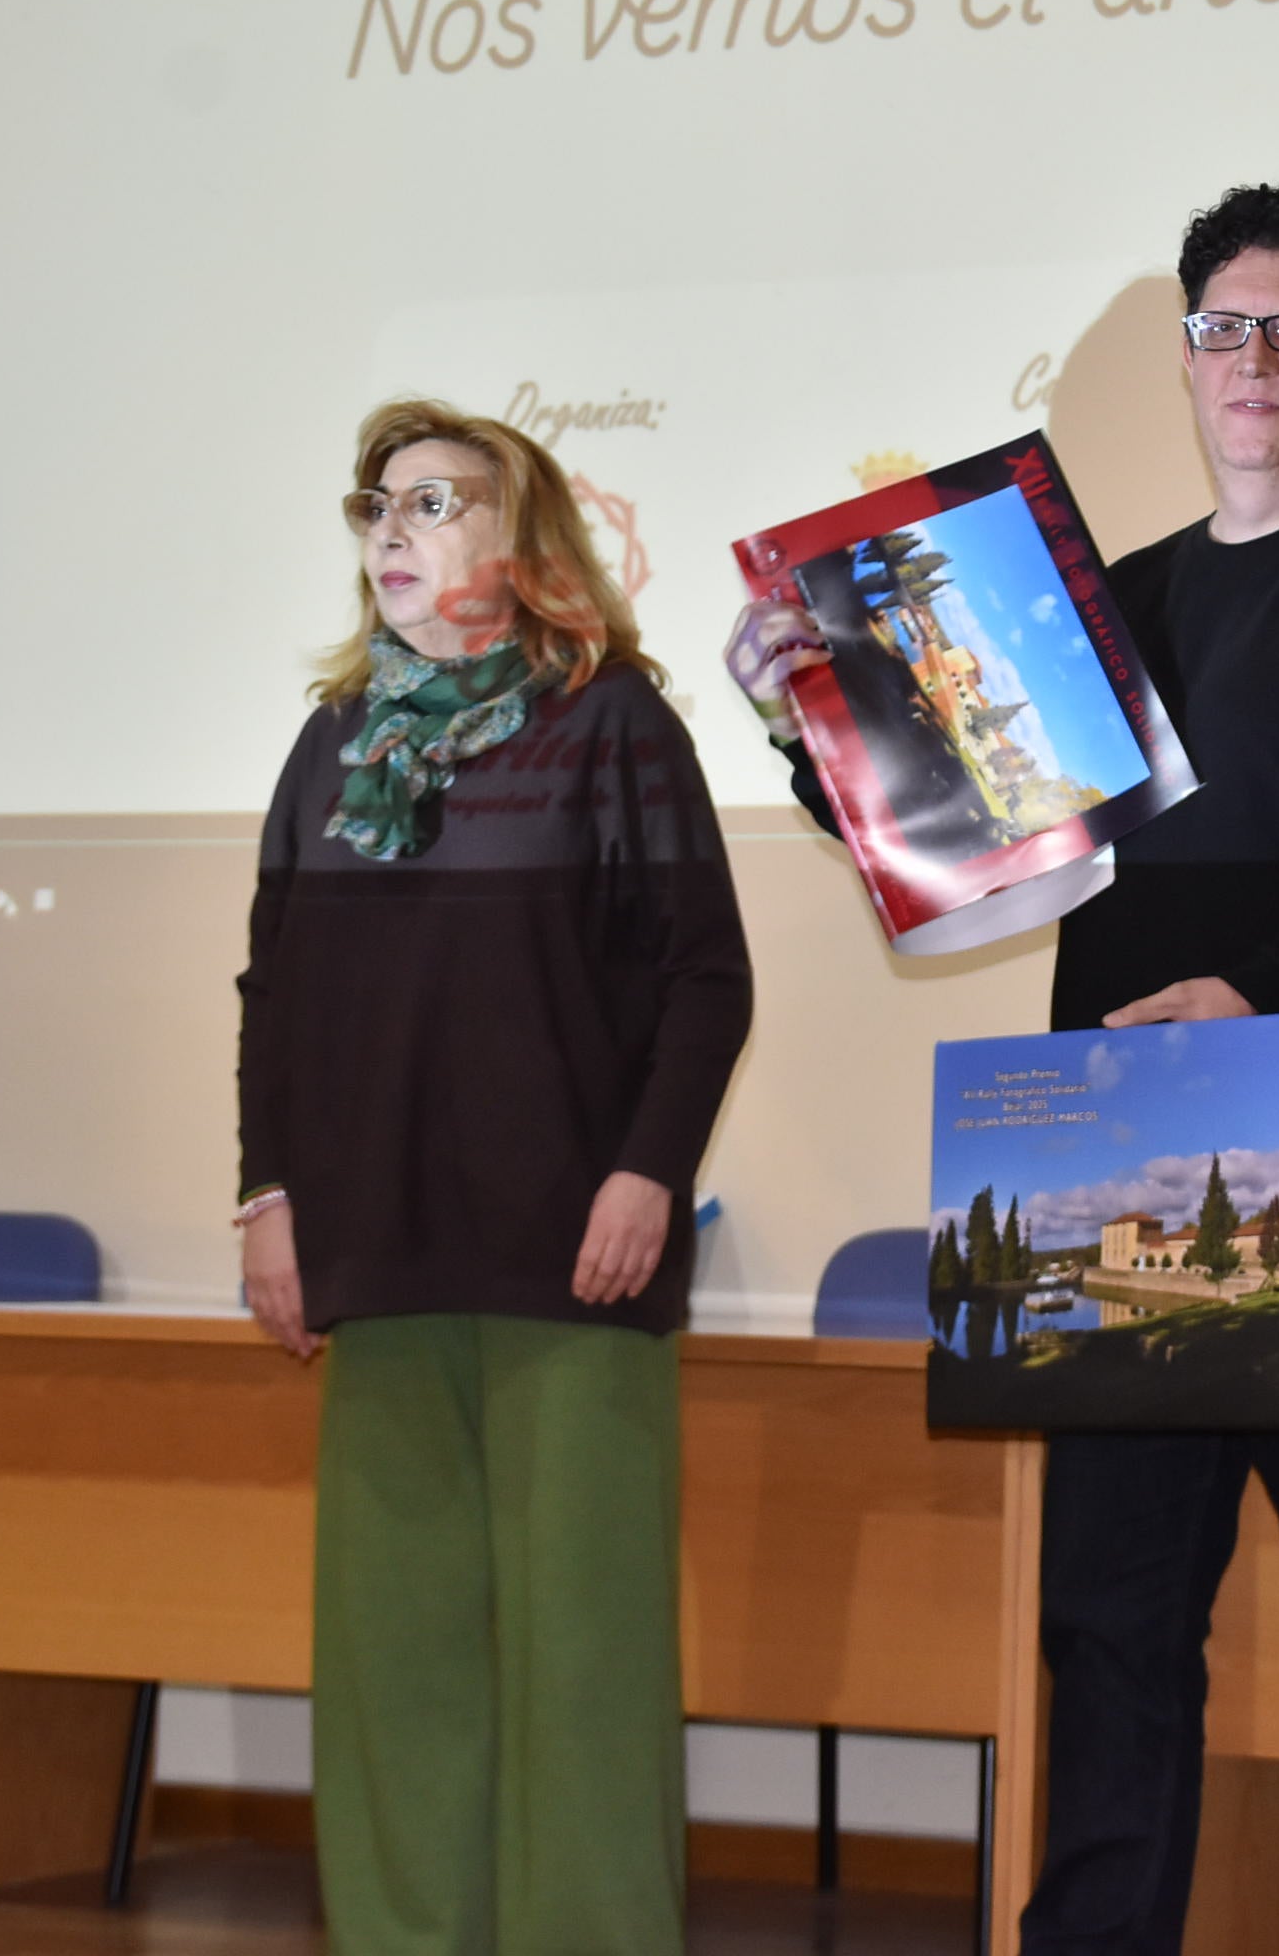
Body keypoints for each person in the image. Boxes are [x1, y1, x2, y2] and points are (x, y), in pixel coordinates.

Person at [734, 177, 1279, 1955]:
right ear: (1187, 366)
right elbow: (972, 843)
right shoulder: (1123, 605)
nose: (1251, 362)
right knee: (1107, 1631)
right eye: (1220, 331)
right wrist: (811, 722)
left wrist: (1253, 991)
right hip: (1112, 1171)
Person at [237, 398, 752, 1955]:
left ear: (523, 549)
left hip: (570, 1261)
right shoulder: (333, 747)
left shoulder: (615, 726)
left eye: (437, 501)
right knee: (396, 1663)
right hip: (377, 1263)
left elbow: (703, 981)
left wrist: (648, 1173)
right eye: (377, 507)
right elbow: (274, 992)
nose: (395, 530)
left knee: (581, 1659)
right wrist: (269, 1199)